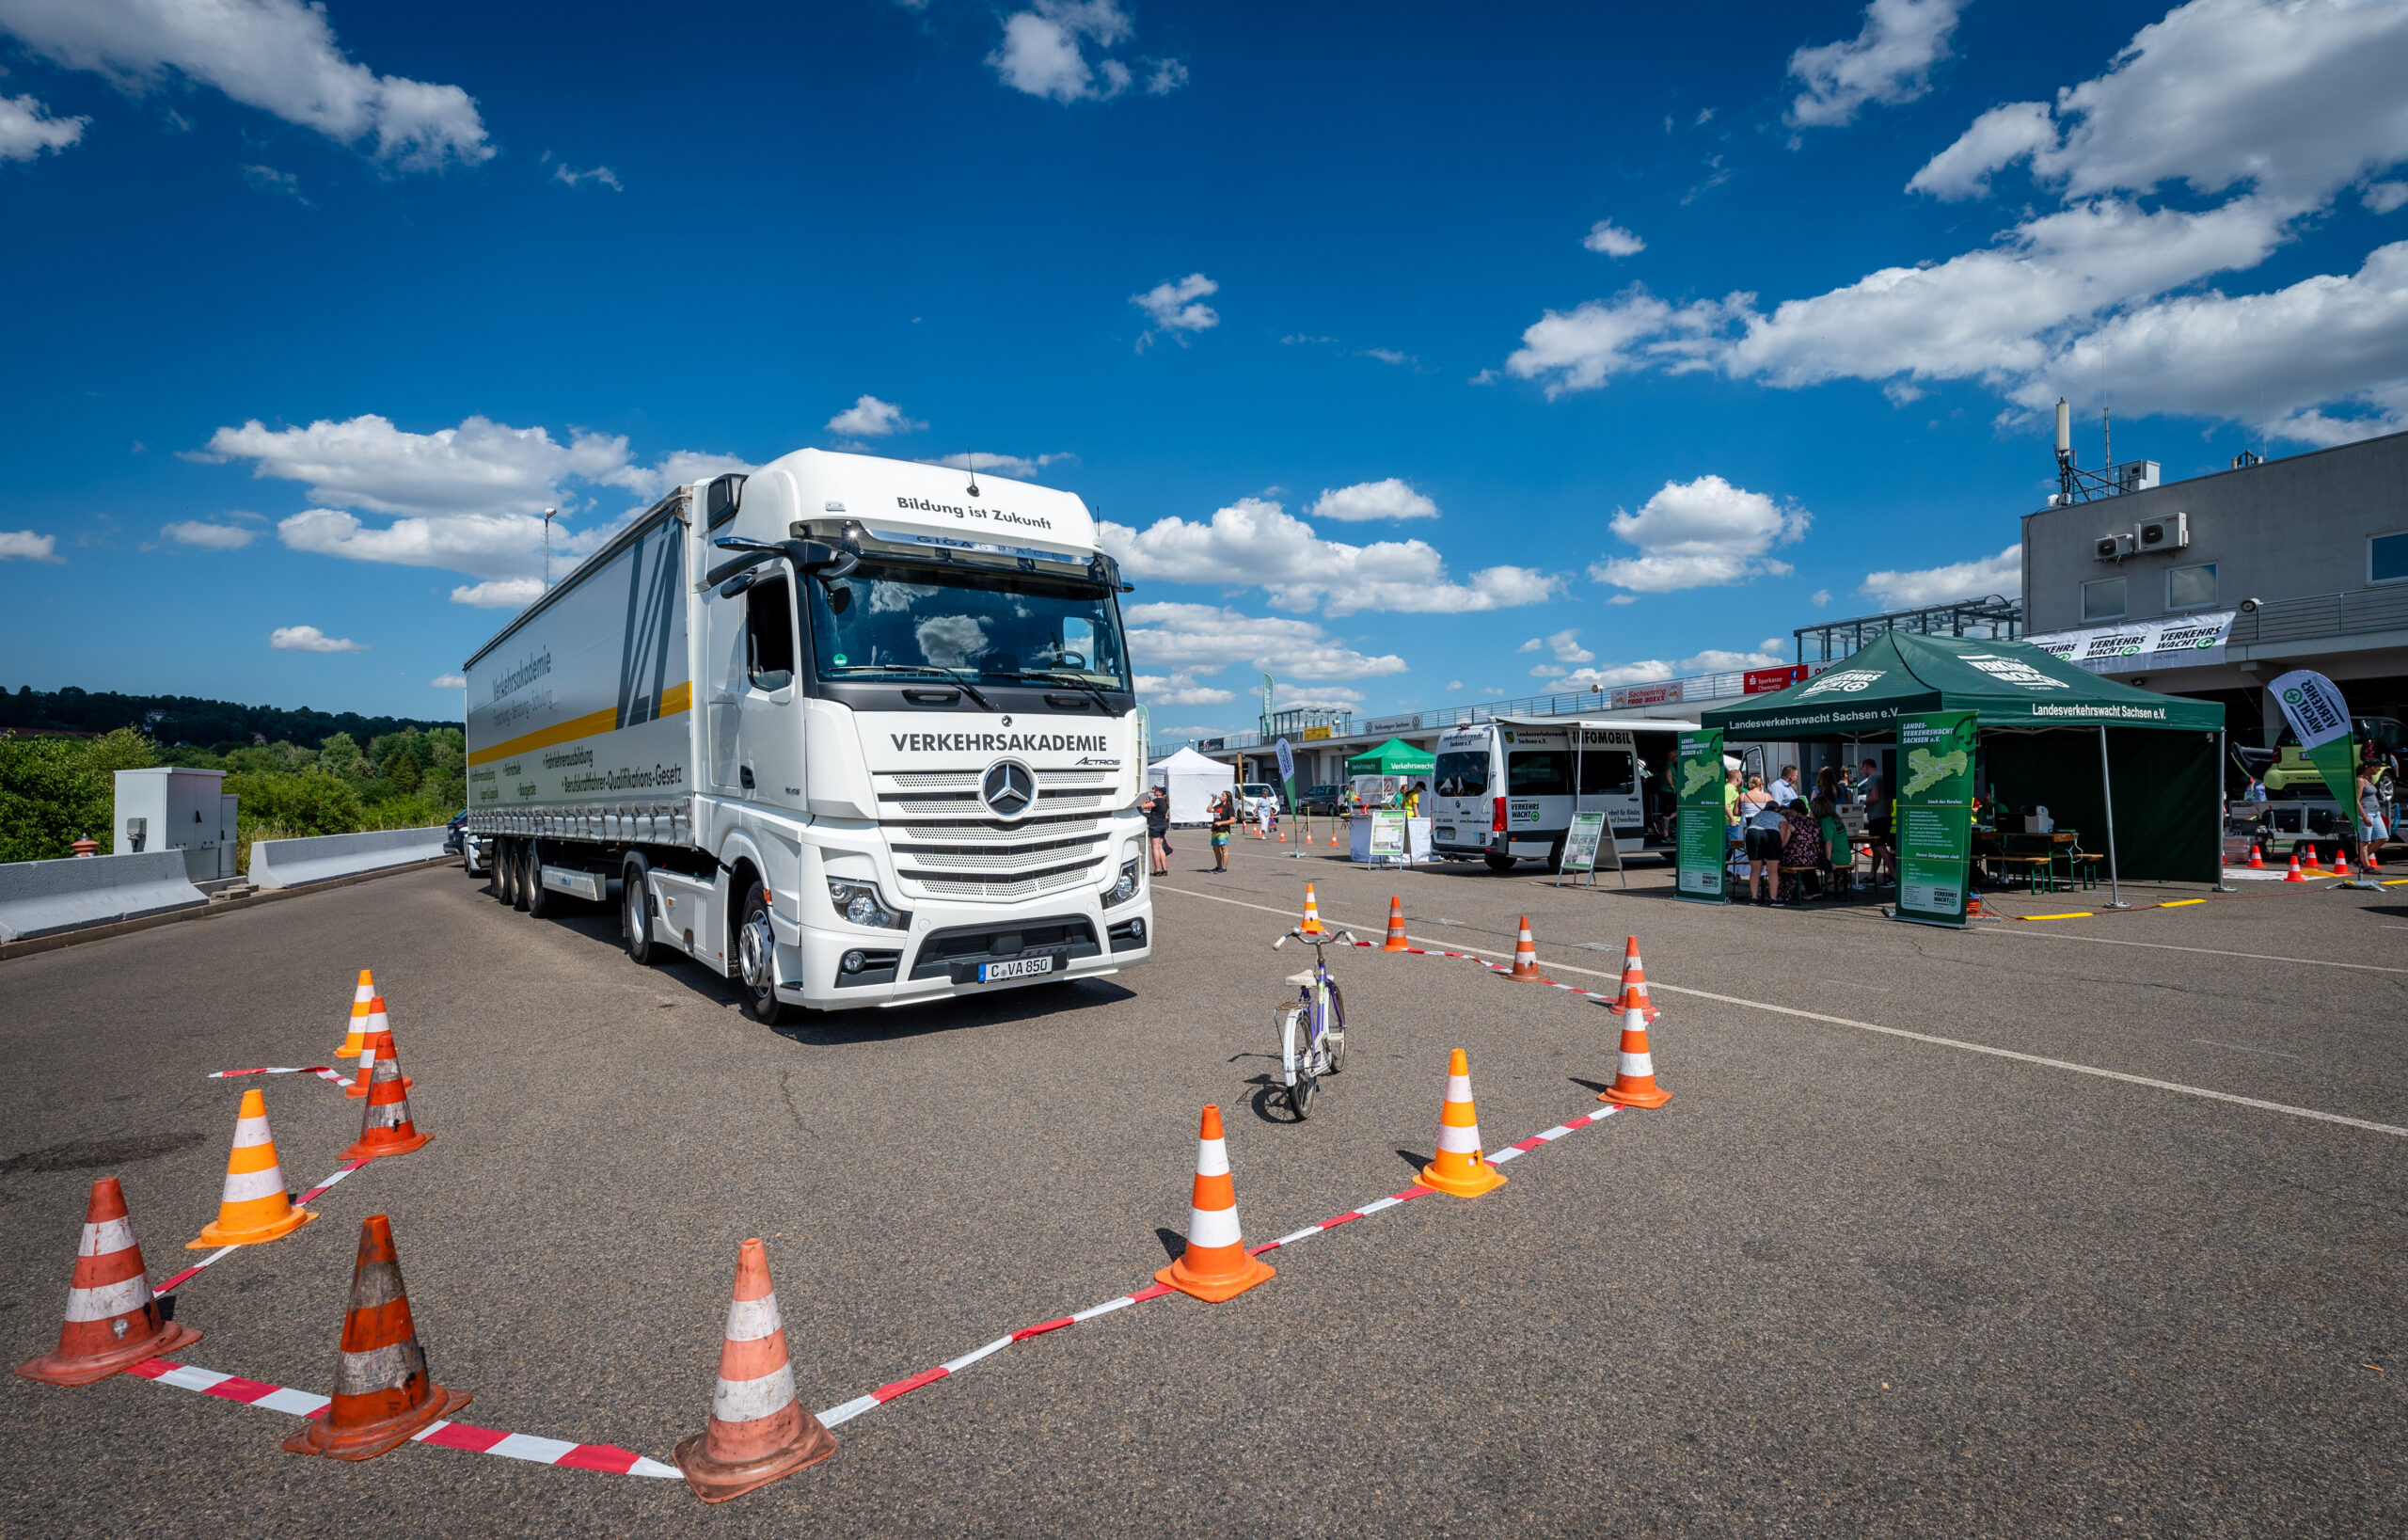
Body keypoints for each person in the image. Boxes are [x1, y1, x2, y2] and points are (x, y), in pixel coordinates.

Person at [1738, 773, 1781, 902]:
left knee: (1754, 869)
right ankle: (1773, 899)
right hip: (1770, 833)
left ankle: (1754, 897)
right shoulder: (1767, 797)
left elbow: (1736, 812)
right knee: (1773, 871)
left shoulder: (1742, 795)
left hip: (1750, 830)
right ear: (1761, 784)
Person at [1776, 799, 1824, 905]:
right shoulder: (1814, 822)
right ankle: (1814, 891)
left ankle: (1786, 892)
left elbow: (1784, 844)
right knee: (1806, 864)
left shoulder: (1792, 823)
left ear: (1793, 810)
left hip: (1797, 858)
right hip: (1814, 857)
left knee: (1780, 862)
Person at [2361, 760, 2391, 867]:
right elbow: (2356, 800)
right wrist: (2364, 816)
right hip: (2367, 813)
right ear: (2371, 767)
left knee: (2383, 838)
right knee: (2365, 840)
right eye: (2378, 767)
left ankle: (2360, 859)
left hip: (2375, 813)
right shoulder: (2360, 780)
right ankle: (2366, 866)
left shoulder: (2369, 780)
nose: (2379, 769)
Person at [1141, 786, 1171, 876]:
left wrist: (1146, 794)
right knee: (1160, 847)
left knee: (1155, 848)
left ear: (1160, 793)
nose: (1155, 791)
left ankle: (1157, 870)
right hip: (1162, 825)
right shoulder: (1165, 802)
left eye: (1157, 790)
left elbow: (1143, 806)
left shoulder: (1157, 800)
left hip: (1155, 825)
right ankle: (1164, 869)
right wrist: (1152, 791)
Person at [1210, 790, 1236, 873]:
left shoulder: (1229, 807)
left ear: (1227, 798)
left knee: (1223, 848)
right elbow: (1209, 810)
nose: (1220, 796)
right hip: (1215, 830)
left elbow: (1232, 820)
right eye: (1221, 795)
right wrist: (1212, 801)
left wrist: (1221, 823)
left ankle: (1224, 867)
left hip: (1223, 830)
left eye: (1223, 795)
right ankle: (1218, 866)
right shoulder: (1218, 806)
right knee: (1215, 848)